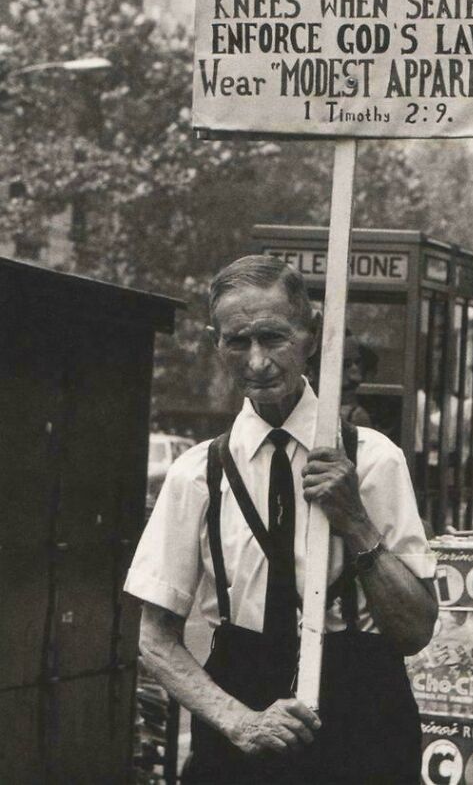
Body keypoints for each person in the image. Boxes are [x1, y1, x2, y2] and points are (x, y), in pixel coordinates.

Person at [124, 255, 437, 785]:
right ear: (215, 343)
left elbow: (415, 630)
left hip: (363, 715)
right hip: (239, 709)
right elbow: (155, 639)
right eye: (237, 341)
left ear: (312, 337)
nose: (258, 361)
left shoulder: (374, 460)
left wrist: (355, 522)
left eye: (274, 338)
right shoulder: (197, 475)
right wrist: (239, 722)